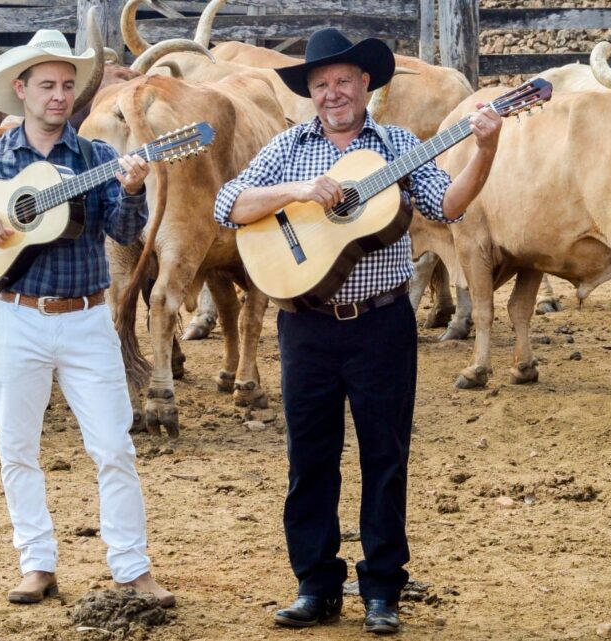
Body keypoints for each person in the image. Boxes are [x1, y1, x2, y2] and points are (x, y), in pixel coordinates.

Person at [213, 28, 501, 633]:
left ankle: (382, 590)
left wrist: (485, 149)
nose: (333, 93)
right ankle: (316, 587)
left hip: (381, 323)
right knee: (309, 459)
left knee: (385, 456)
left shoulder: (398, 146)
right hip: (306, 325)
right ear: (310, 92)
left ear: (366, 83)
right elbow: (229, 205)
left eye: (343, 80)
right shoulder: (289, 146)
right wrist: (299, 190)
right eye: (321, 84)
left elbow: (448, 206)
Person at [0, 29, 173, 607]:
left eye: (67, 85)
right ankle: (37, 564)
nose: (59, 95)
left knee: (114, 447)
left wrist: (133, 190)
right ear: (21, 90)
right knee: (16, 448)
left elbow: (124, 233)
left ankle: (132, 568)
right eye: (47, 85)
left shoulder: (97, 158)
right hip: (17, 318)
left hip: (87, 320)